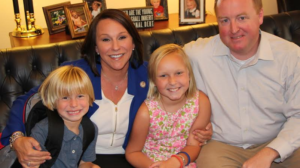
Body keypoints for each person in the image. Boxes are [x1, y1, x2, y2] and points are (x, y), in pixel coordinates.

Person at [0, 9, 212, 168]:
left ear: (133, 42)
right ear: (95, 47)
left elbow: (182, 98)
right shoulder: (76, 74)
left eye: (122, 37)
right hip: (79, 158)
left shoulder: (150, 76)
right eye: (105, 40)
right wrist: (17, 138)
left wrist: (203, 127)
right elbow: (25, 101)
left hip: (128, 158)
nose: (116, 47)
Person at [183, 0, 300, 167]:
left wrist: (271, 152)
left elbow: (298, 116)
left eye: (242, 17)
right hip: (221, 146)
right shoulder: (197, 55)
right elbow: (159, 70)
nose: (234, 29)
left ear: (260, 15)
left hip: (277, 139)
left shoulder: (290, 56)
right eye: (225, 20)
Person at [126, 44, 211, 168]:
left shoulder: (201, 102)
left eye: (178, 73)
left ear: (189, 74)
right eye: (163, 75)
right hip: (151, 163)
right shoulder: (146, 112)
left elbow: (193, 145)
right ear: (154, 81)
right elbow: (132, 152)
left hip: (184, 160)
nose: (172, 81)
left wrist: (175, 162)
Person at [30, 65, 99, 168]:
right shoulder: (42, 130)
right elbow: (32, 164)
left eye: (80, 96)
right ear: (53, 101)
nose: (74, 104)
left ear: (89, 98)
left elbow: (84, 163)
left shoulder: (91, 129)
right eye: (65, 97)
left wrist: (91, 166)